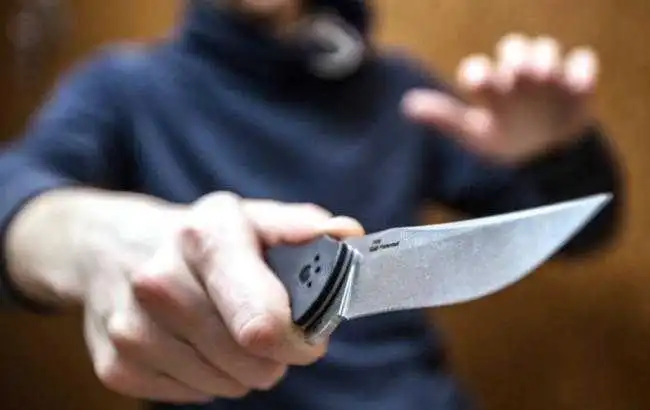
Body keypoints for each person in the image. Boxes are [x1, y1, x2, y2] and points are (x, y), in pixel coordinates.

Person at [0, 0, 623, 409]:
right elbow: (14, 192)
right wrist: (86, 238)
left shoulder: (401, 90)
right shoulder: (124, 89)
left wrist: (556, 154)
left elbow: (578, 233)